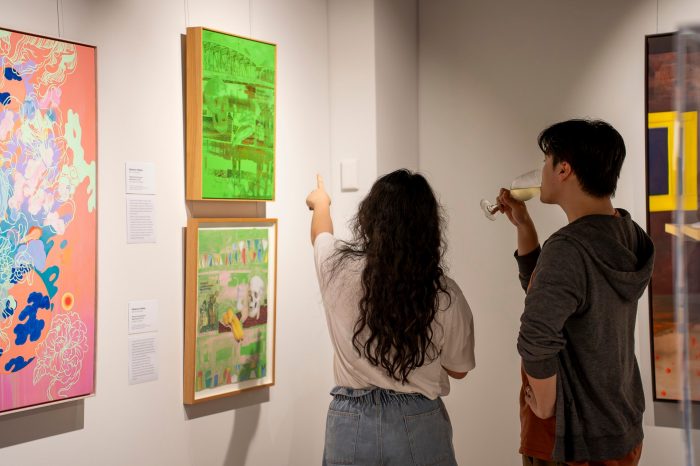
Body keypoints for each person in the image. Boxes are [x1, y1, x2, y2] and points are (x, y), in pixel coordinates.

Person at [497, 119, 654, 466]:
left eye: (546, 161)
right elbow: (553, 296)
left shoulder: (569, 248)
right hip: (620, 425)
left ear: (564, 169)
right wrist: (524, 226)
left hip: (572, 441)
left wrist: (545, 404)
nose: (542, 170)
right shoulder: (628, 233)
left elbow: (536, 337)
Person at [306, 169, 475, 466]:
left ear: (368, 219)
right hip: (418, 422)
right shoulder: (444, 292)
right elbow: (459, 369)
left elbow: (321, 234)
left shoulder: (337, 269)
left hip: (350, 421)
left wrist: (321, 202)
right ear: (428, 228)